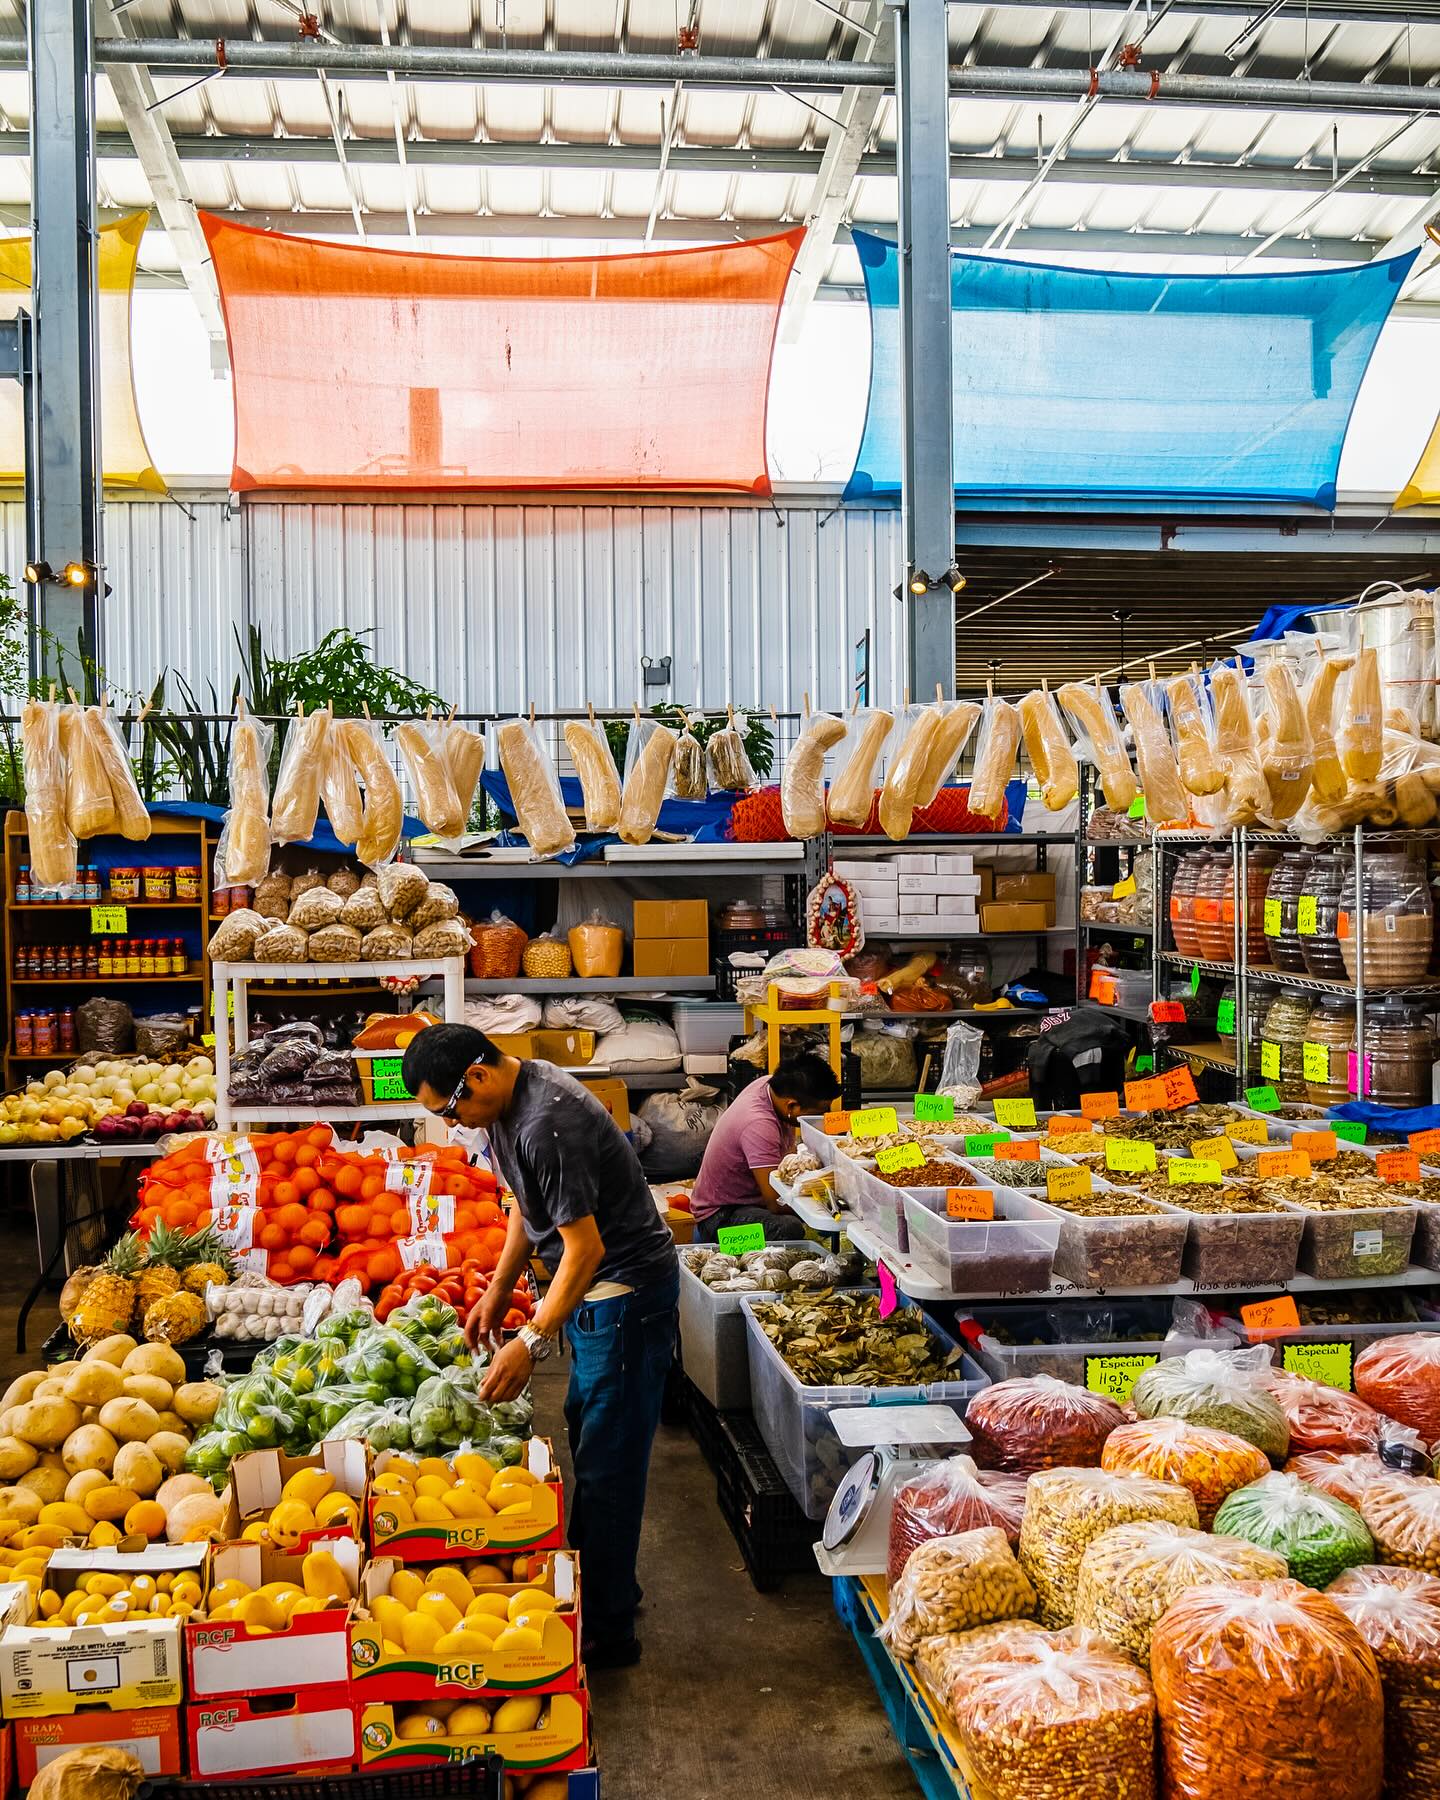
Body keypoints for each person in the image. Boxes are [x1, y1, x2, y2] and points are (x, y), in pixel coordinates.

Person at [402, 1022, 678, 1669]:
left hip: (623, 1297)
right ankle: (605, 1591)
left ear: (477, 1077)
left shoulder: (546, 1121)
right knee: (592, 1435)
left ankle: (607, 1633)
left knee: (609, 1463)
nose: (455, 1122)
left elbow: (586, 1249)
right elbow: (530, 1212)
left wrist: (532, 1340)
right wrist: (497, 1291)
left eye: (450, 1110)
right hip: (593, 1297)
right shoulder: (508, 1106)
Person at [689, 1052, 841, 1244]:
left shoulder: (772, 1086)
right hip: (719, 1220)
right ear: (791, 1106)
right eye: (819, 1112)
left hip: (749, 1202)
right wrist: (826, 1206)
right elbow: (775, 1203)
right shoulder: (758, 1125)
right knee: (790, 1228)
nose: (824, 1117)